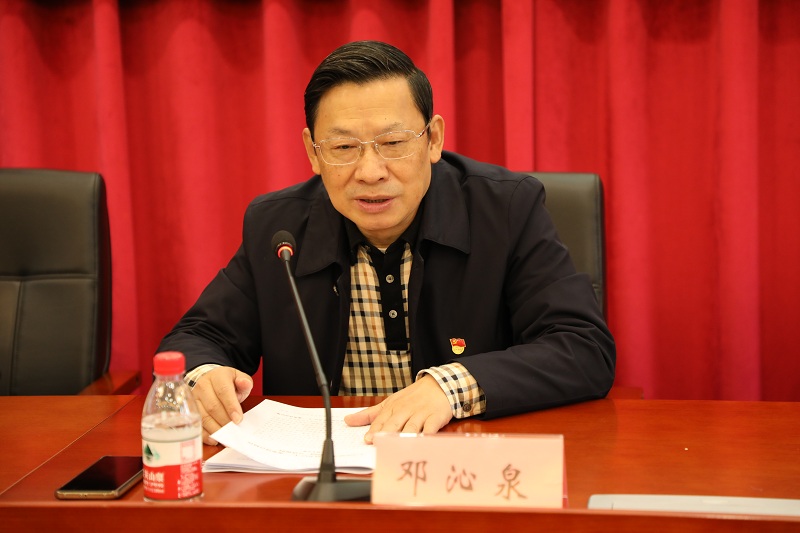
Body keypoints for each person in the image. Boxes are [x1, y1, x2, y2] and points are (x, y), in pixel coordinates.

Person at [158, 40, 615, 446]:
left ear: (433, 139)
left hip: (461, 465)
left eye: (393, 142)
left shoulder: (505, 210)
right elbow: (198, 337)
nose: (371, 172)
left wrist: (449, 389)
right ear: (313, 152)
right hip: (321, 476)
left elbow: (583, 347)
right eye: (343, 148)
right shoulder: (278, 228)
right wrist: (203, 377)